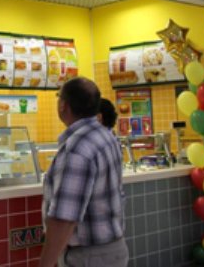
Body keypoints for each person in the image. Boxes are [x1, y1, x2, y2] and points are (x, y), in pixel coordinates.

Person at [39, 78, 127, 267]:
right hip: (113, 249)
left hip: (88, 257)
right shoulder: (107, 136)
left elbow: (64, 218)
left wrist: (45, 264)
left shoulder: (77, 148)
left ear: (63, 105)